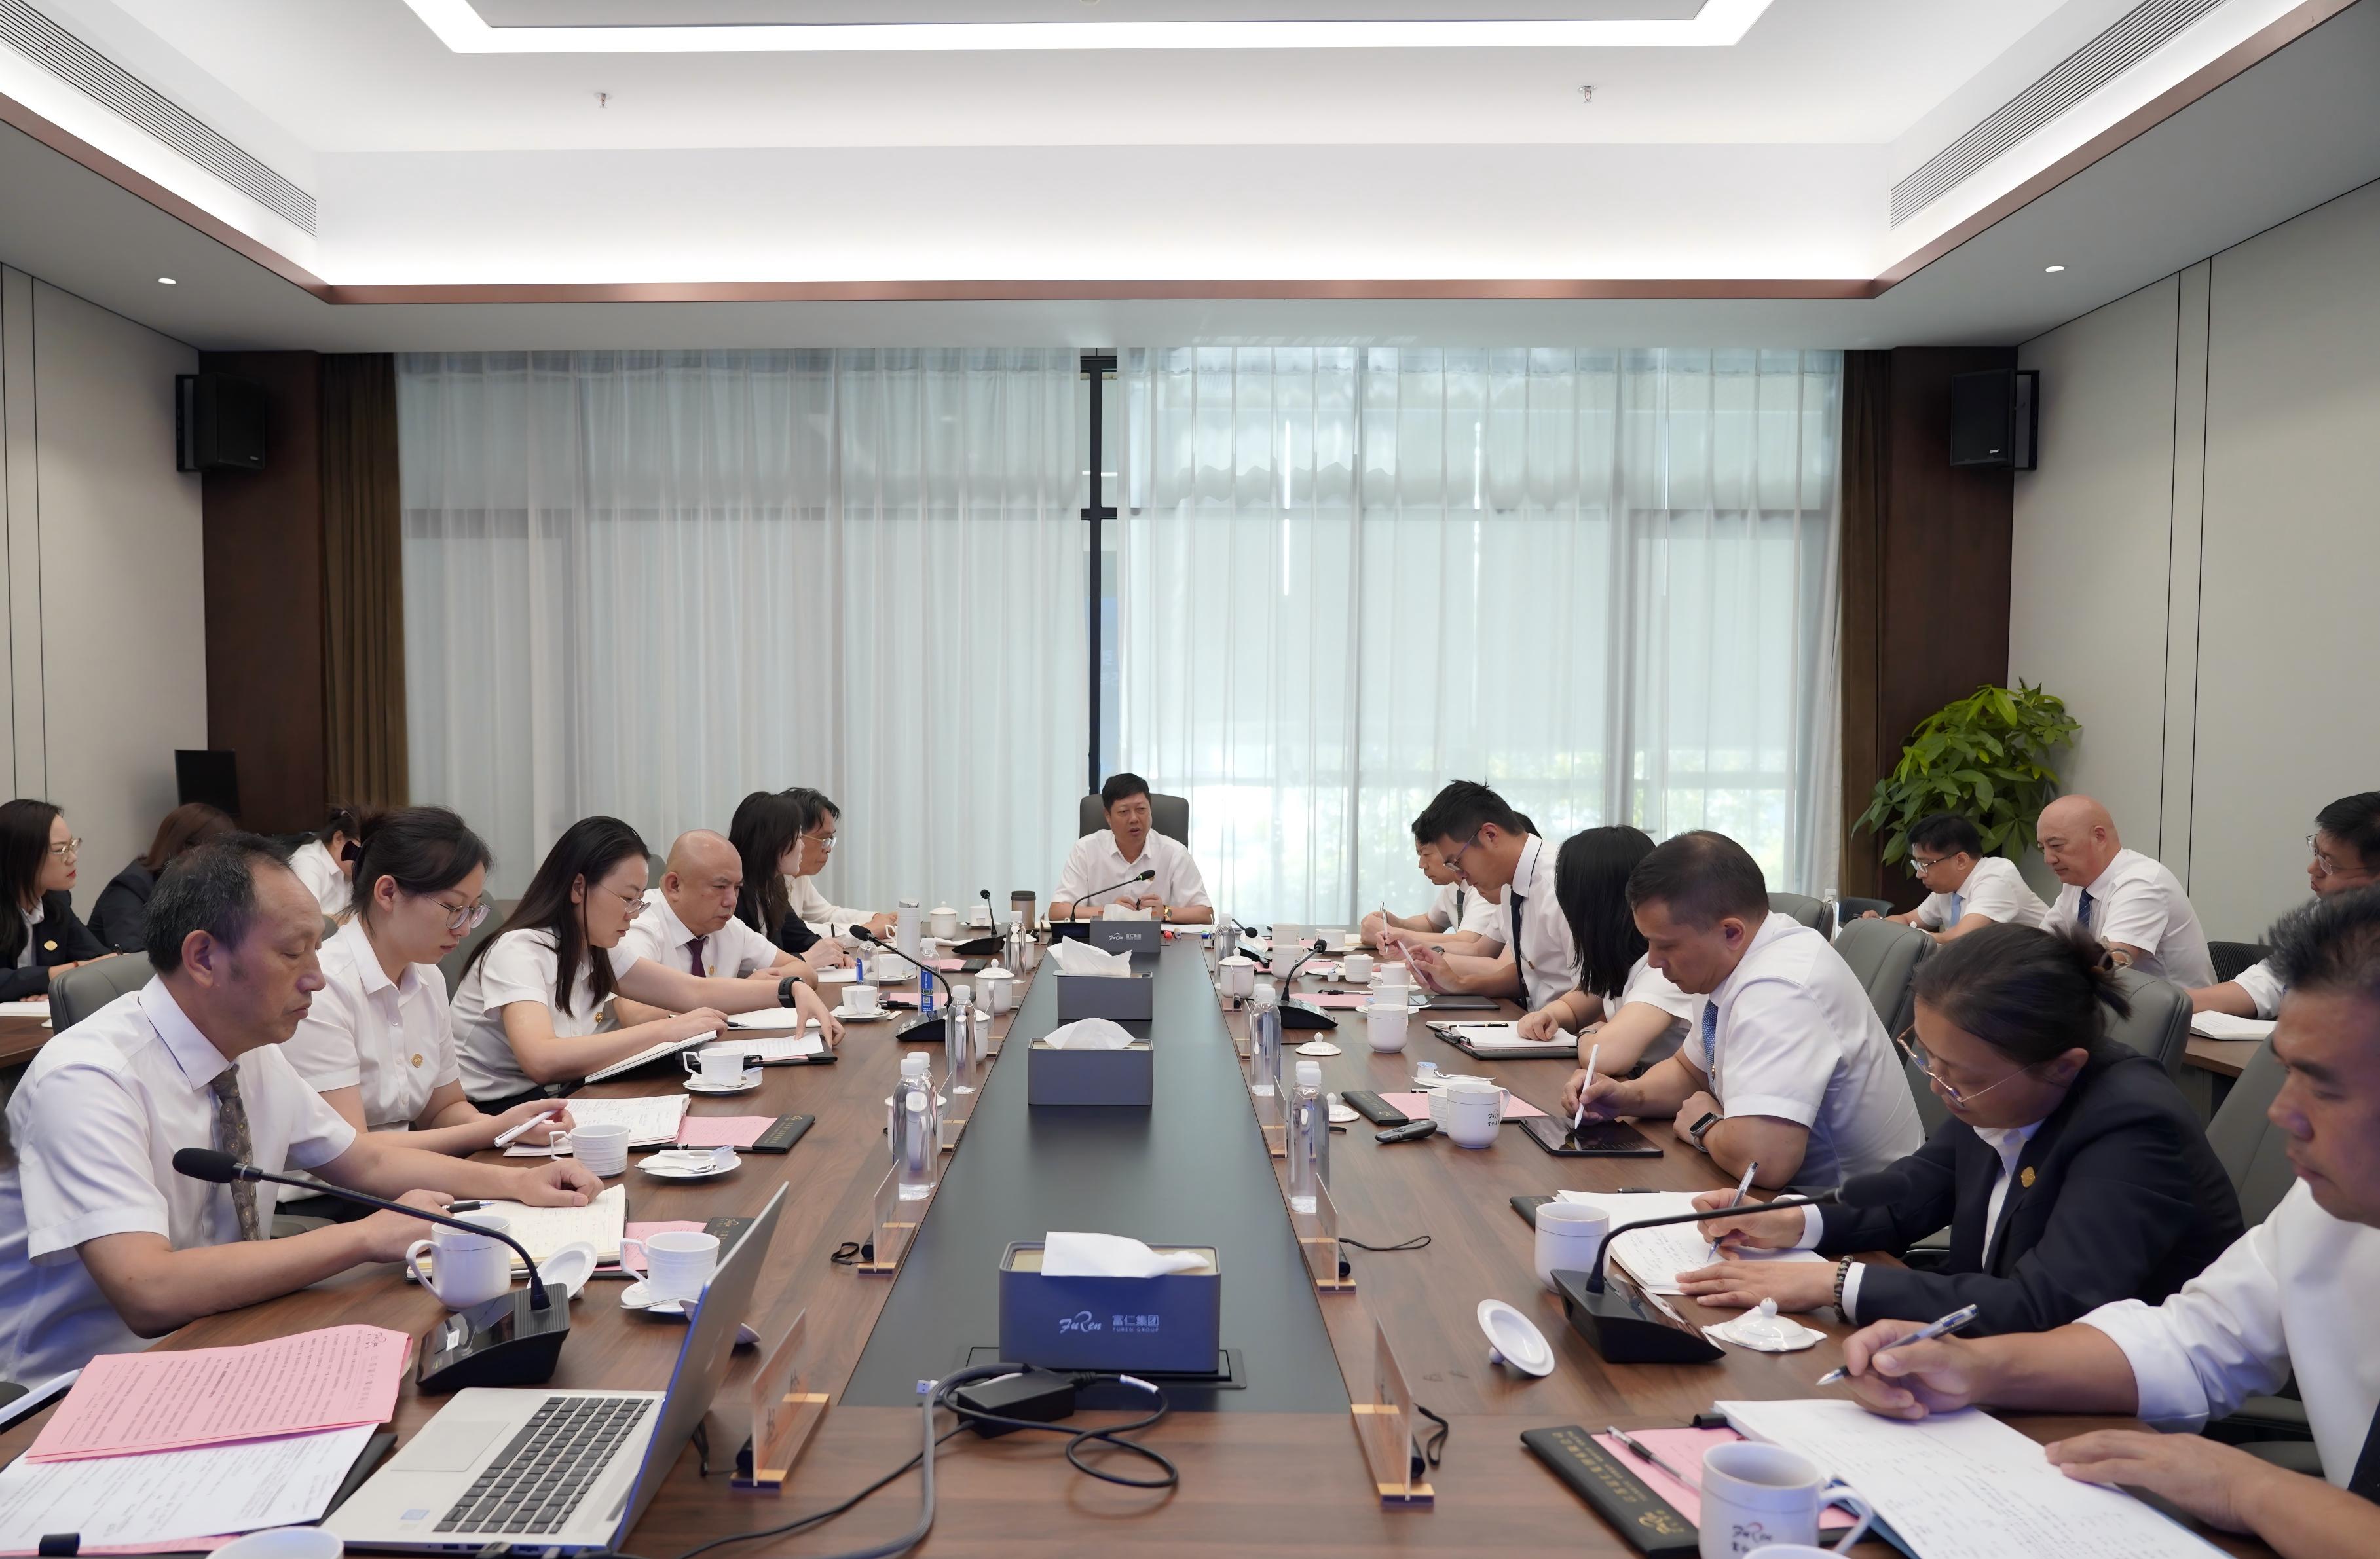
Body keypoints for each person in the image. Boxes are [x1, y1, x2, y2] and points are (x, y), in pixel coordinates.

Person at [1832, 888, 2380, 1558]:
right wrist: (1972, 1365)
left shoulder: (2129, 1114)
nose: (2281, 1111)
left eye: (2324, 1085)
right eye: (2287, 1071)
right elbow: (2193, 1340)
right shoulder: (2326, 1210)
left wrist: (2249, 1488)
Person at [0, 836, 601, 1384]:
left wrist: (517, 1184)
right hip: (86, 1389)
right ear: (203, 957)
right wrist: (365, 1237)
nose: (317, 977)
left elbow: (364, 1162)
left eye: (318, 948)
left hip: (229, 1340)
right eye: (293, 953)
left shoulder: (250, 1050)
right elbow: (149, 1290)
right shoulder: (88, 1077)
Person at [1675, 921, 2241, 1332]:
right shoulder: (1996, 1087)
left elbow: (2046, 1304)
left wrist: (1835, 1282)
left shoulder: (2133, 1127)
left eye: (1958, 1073)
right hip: (1987, 1362)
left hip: (2112, 1412)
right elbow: (1909, 1195)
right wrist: (1788, 1221)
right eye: (1928, 1057)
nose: (1937, 1084)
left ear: (2062, 1066)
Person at [1569, 830, 1922, 1190]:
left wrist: (1704, 1124)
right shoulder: (1731, 959)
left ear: (1731, 932)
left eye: (1666, 945)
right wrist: (1627, 1097)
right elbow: (1691, 1073)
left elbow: (1764, 1162)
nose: (1654, 961)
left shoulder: (1781, 990)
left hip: (1855, 1209)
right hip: (1792, 1197)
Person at [451, 816, 838, 1107]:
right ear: (578, 887)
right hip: (497, 1111)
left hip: (562, 1096)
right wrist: (669, 1030)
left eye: (638, 900)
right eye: (628, 899)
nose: (633, 913)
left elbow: (691, 992)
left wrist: (788, 989)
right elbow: (542, 1058)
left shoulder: (595, 946)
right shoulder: (520, 950)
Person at [280, 807, 580, 1154]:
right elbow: (353, 1151)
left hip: (408, 1168)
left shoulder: (427, 977)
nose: (465, 929)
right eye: (454, 908)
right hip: (333, 1186)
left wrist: (513, 1128)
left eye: (473, 910)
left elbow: (443, 1110)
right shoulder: (323, 988)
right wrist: (496, 1130)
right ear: (388, 892)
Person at [611, 830, 840, 1043]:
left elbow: (805, 972)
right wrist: (744, 992)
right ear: (674, 885)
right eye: (720, 887)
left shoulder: (728, 927)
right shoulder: (639, 924)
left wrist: (754, 990)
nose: (731, 901)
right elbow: (635, 1015)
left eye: (737, 887)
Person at [1514, 826, 1696, 1074]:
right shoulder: (1623, 961)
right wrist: (1547, 1016)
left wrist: (1591, 1031)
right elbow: (1576, 1005)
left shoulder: (1662, 969)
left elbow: (1604, 1057)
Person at [2195, 792, 2380, 1017]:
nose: (2313, 869)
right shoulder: (2325, 913)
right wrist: (2180, 1003)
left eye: (2329, 864)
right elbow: (2270, 982)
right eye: (2316, 853)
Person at [1404, 782, 1574, 1008]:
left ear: (1490, 835)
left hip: (1568, 1026)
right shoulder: (1510, 883)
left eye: (1457, 862)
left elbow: (1596, 992)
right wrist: (1458, 984)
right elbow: (1529, 974)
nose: (1460, 875)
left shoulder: (1561, 883)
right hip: (1538, 1020)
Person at [2036, 794, 2215, 986]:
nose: (2048, 859)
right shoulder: (2075, 885)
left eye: (2057, 846)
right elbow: (2040, 949)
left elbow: (2105, 969)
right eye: (2043, 848)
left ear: (2099, 837)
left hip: (2181, 1005)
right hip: (2120, 1002)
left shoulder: (2142, 883)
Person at [1052, 773, 1214, 925]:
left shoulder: (1174, 852)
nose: (1134, 819)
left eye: (1141, 809)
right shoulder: (1086, 850)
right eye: (1124, 812)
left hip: (1159, 943)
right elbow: (1057, 911)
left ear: (1150, 809)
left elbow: (1206, 915)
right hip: (1099, 943)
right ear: (1108, 816)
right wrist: (1108, 912)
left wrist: (1166, 912)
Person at [0, 799, 113, 1002]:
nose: (72, 858)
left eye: (72, 845)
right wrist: (54, 976)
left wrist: (44, 985)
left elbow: (101, 962)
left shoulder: (56, 902)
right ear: (20, 857)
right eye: (61, 850)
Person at [1874, 813, 2050, 942]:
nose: (1920, 874)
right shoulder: (1948, 888)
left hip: (2043, 969)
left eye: (1925, 864)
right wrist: (1877, 924)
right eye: (1917, 864)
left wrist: (1909, 936)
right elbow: (1907, 920)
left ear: (1960, 860)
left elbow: (1959, 939)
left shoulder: (1997, 876)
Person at [88, 803, 236, 952]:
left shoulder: (202, 889)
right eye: (218, 856)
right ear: (184, 850)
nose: (223, 866)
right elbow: (134, 956)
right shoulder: (129, 888)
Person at [782, 788, 894, 947]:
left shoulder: (798, 875)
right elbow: (797, 935)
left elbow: (826, 913)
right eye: (823, 839)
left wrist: (878, 918)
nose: (828, 849)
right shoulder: (766, 881)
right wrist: (868, 930)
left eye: (830, 840)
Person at [1360, 838, 1503, 952]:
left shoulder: (1485, 887)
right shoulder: (1454, 886)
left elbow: (1469, 943)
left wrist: (1391, 933)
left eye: (1426, 854)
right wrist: (1396, 923)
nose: (1421, 865)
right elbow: (1430, 923)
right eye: (1419, 855)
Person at [288, 806, 366, 919]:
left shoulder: (349, 869)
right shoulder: (307, 863)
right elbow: (308, 919)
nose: (365, 859)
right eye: (361, 850)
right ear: (338, 838)